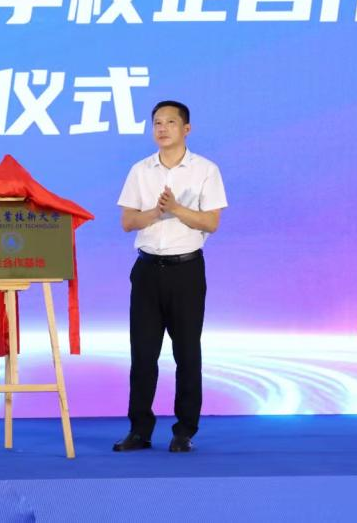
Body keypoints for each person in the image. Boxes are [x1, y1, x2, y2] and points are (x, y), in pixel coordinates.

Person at [113, 100, 227, 454]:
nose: (162, 129)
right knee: (142, 355)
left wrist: (176, 209)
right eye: (157, 123)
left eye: (170, 122)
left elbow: (211, 222)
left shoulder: (205, 170)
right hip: (147, 271)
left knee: (187, 354)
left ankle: (184, 431)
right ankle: (139, 430)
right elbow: (127, 221)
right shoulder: (140, 170)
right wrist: (156, 212)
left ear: (186, 129)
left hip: (186, 271)